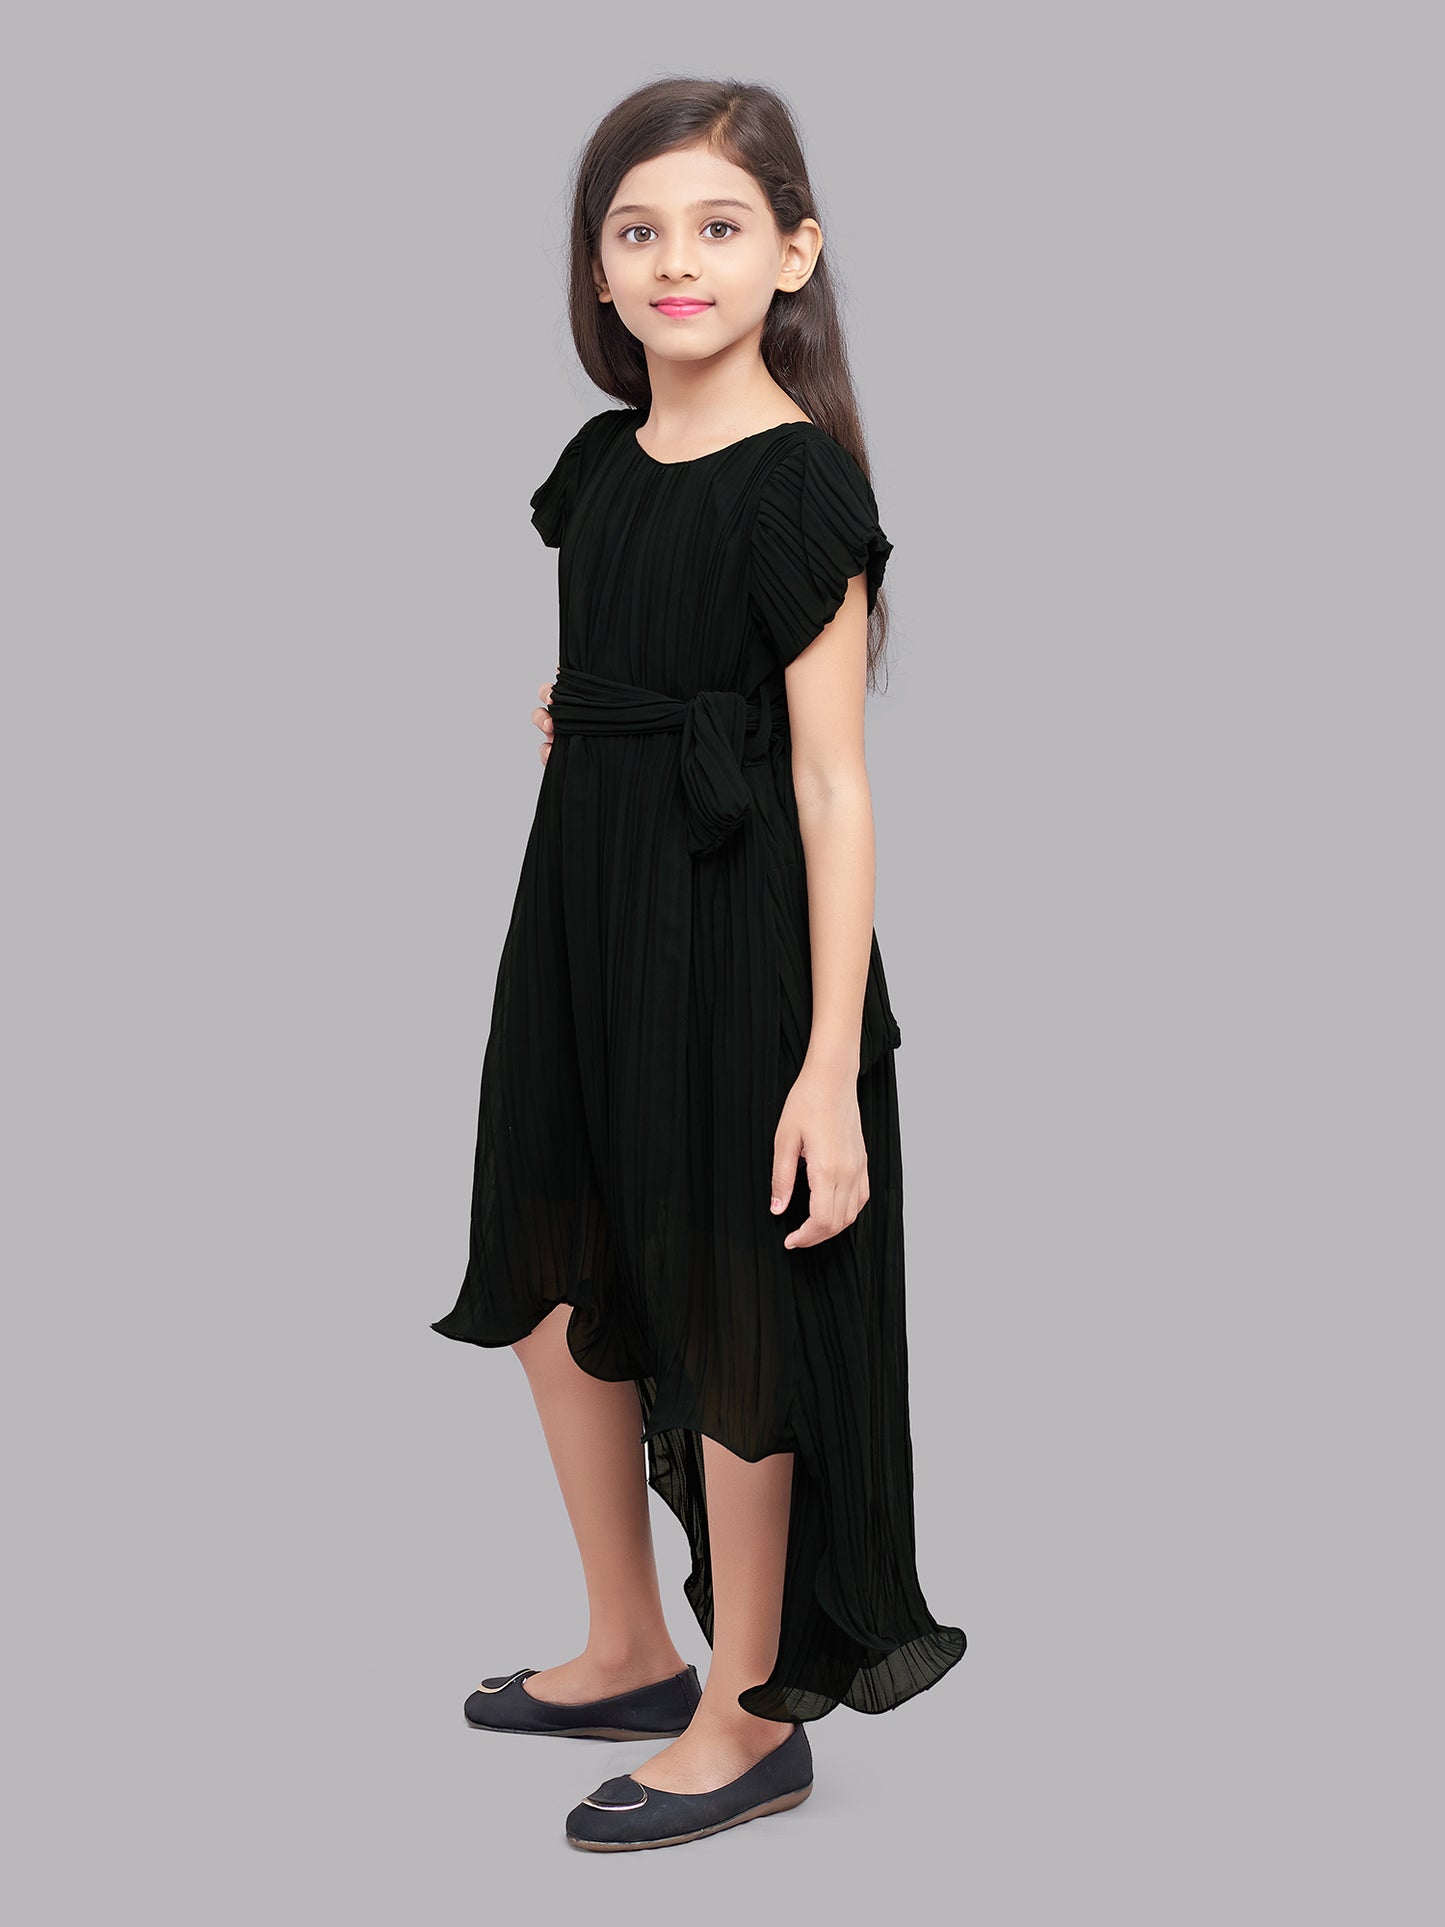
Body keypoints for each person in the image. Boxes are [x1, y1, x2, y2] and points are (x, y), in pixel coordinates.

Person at [429, 75, 966, 1853]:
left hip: (739, 942)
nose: (677, 260)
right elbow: (625, 670)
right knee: (548, 1270)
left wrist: (828, 1067)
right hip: (580, 919)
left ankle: (748, 1715)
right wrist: (590, 715)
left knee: (735, 1317)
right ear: (595, 269)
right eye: (637, 229)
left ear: (792, 253)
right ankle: (628, 1645)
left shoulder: (799, 485)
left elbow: (830, 782)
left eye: (719, 225)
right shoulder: (598, 468)